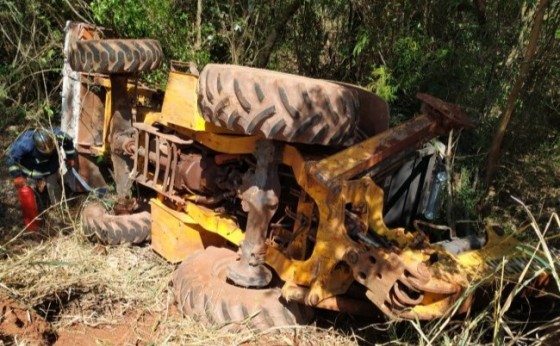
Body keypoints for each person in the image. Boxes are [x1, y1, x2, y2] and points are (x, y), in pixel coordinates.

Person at [5, 127, 76, 206]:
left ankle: (59, 206)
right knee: (29, 190)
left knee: (52, 185)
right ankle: (36, 203)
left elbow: (68, 141)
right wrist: (17, 176)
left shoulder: (58, 136)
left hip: (50, 167)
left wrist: (70, 157)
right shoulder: (24, 144)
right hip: (31, 168)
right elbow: (10, 158)